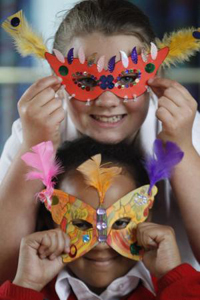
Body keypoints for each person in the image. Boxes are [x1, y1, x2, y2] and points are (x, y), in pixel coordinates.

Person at [0, 0, 200, 283]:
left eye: (128, 78)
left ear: (154, 77)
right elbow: (4, 270)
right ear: (58, 79)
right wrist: (35, 144)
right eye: (84, 81)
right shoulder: (34, 129)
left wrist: (181, 146)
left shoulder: (181, 127)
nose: (107, 100)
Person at [0, 137, 199, 300]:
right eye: (80, 223)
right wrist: (27, 285)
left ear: (147, 218)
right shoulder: (28, 291)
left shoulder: (178, 291)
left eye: (120, 222)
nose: (101, 244)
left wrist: (172, 276)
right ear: (48, 220)